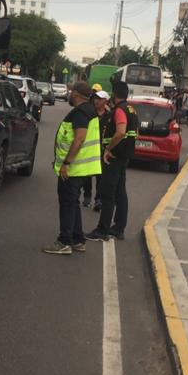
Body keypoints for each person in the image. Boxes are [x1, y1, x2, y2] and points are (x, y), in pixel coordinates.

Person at [44, 81, 102, 255]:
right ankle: (77, 240)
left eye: (70, 92)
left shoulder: (81, 112)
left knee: (67, 204)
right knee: (73, 202)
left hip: (74, 168)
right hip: (82, 167)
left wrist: (66, 163)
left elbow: (79, 138)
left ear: (76, 94)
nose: (69, 94)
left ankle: (64, 242)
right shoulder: (89, 110)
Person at [88, 81, 138, 242]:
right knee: (120, 193)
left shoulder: (120, 110)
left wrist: (108, 149)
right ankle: (118, 228)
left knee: (107, 193)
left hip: (114, 157)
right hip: (124, 156)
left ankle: (102, 229)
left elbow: (121, 132)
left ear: (114, 94)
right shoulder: (131, 109)